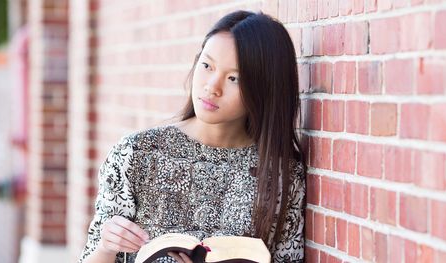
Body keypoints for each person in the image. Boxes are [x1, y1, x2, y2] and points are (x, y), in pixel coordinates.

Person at [79, 9, 305, 263]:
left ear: (264, 87)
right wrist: (106, 247)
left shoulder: (283, 173)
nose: (212, 86)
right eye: (207, 65)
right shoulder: (138, 153)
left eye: (233, 78)